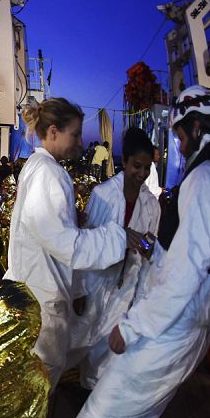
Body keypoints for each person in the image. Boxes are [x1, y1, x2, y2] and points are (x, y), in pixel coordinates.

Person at [66, 85, 210, 418]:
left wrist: (133, 326)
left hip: (169, 327)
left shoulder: (207, 178)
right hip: (181, 325)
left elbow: (186, 271)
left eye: (180, 137)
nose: (180, 146)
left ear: (196, 128)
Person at [5, 97, 138, 389]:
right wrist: (119, 237)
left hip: (37, 288)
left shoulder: (38, 166)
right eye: (75, 134)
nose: (80, 142)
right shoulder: (49, 173)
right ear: (53, 132)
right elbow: (66, 244)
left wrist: (70, 219)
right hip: (42, 296)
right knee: (40, 383)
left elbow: (47, 229)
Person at [66, 127, 160, 387]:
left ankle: (91, 399)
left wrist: (147, 250)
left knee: (105, 359)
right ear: (125, 161)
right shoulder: (103, 194)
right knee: (75, 343)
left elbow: (149, 255)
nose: (142, 173)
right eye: (137, 166)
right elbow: (85, 243)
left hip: (124, 290)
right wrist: (78, 290)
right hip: (94, 283)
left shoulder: (152, 205)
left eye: (147, 168)